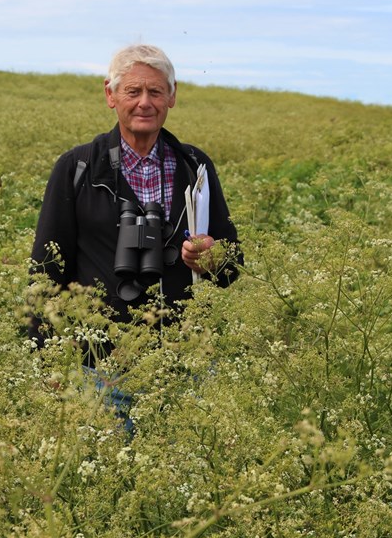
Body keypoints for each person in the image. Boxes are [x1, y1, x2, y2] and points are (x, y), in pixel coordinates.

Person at [29, 44, 241, 354]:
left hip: (181, 359)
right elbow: (45, 272)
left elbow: (233, 266)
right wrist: (45, 357)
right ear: (110, 95)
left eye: (155, 92)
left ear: (172, 95)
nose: (145, 103)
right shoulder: (77, 168)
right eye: (133, 91)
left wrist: (214, 259)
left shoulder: (195, 166)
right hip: (98, 364)